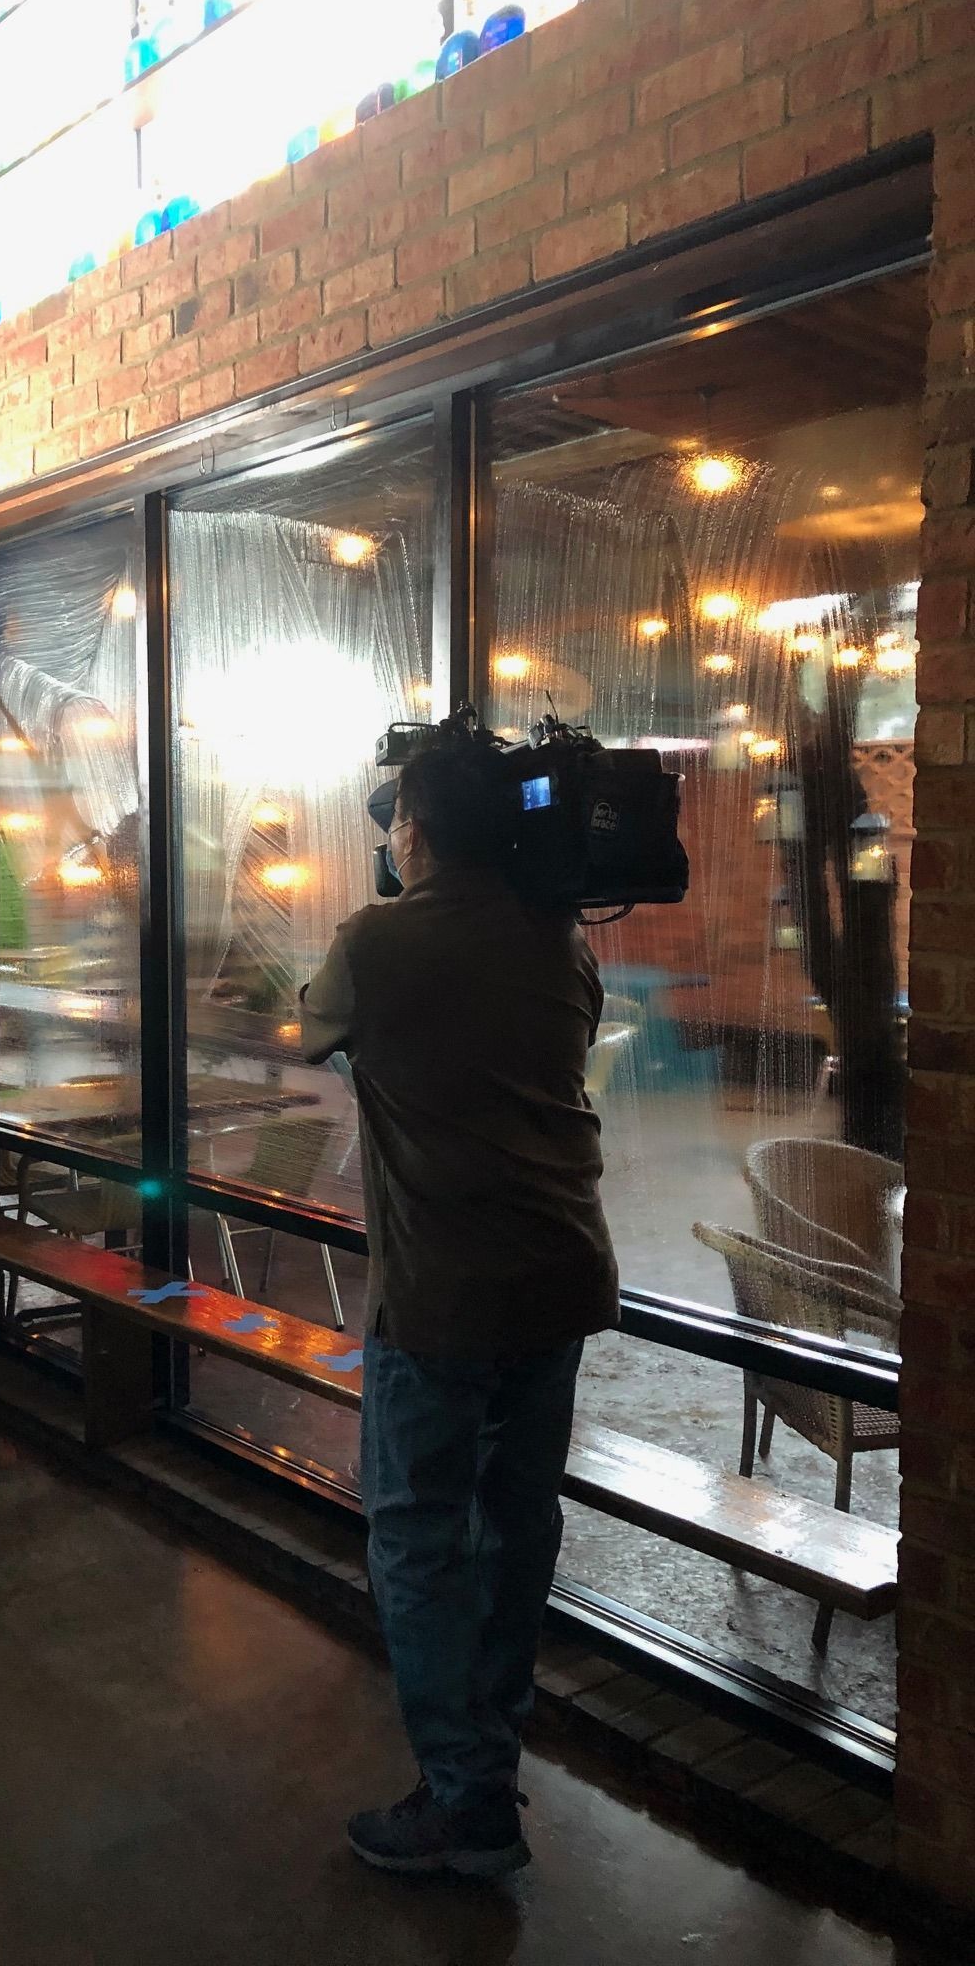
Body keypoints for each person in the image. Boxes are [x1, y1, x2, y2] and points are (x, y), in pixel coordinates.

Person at [299, 733, 618, 1878]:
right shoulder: (560, 938)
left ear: (417, 835)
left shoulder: (376, 943)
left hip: (442, 1296)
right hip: (562, 1274)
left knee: (420, 1542)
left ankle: (465, 1794)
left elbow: (302, 1027)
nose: (388, 842)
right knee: (519, 1524)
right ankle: (493, 1754)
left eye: (394, 824)